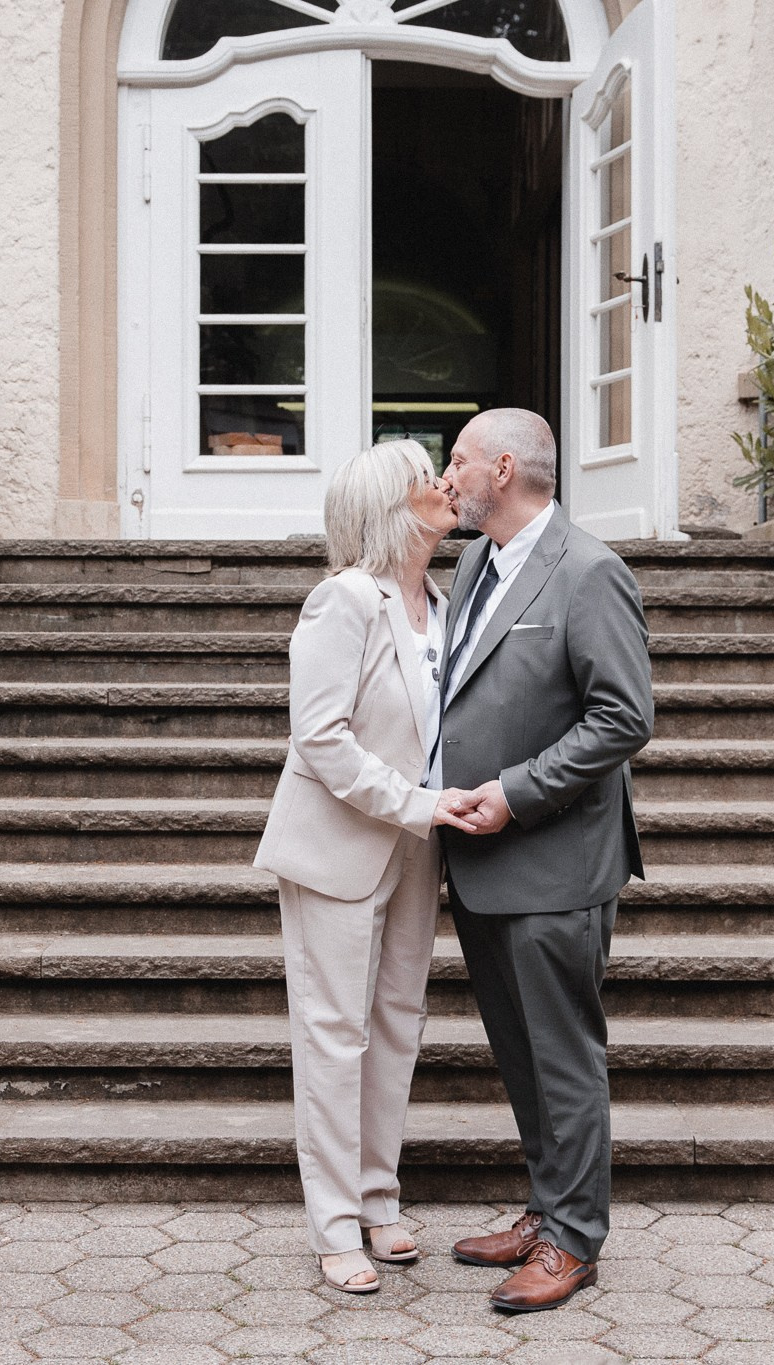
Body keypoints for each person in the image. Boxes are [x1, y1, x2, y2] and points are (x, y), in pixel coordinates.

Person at [433, 407, 655, 1313]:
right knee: (520, 1054)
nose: (447, 475)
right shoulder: (476, 559)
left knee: (564, 1056)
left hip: (555, 857)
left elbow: (622, 717)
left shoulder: (592, 570)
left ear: (504, 464)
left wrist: (517, 790)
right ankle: (545, 1207)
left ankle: (574, 1239)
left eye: (457, 459)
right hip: (478, 859)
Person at [252, 439, 482, 1295]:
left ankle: (381, 1200)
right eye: (427, 478)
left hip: (416, 850)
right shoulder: (342, 601)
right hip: (339, 844)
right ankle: (335, 1222)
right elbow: (318, 738)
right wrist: (419, 803)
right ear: (391, 505)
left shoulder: (448, 603)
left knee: (396, 1025)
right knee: (334, 1033)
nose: (443, 485)